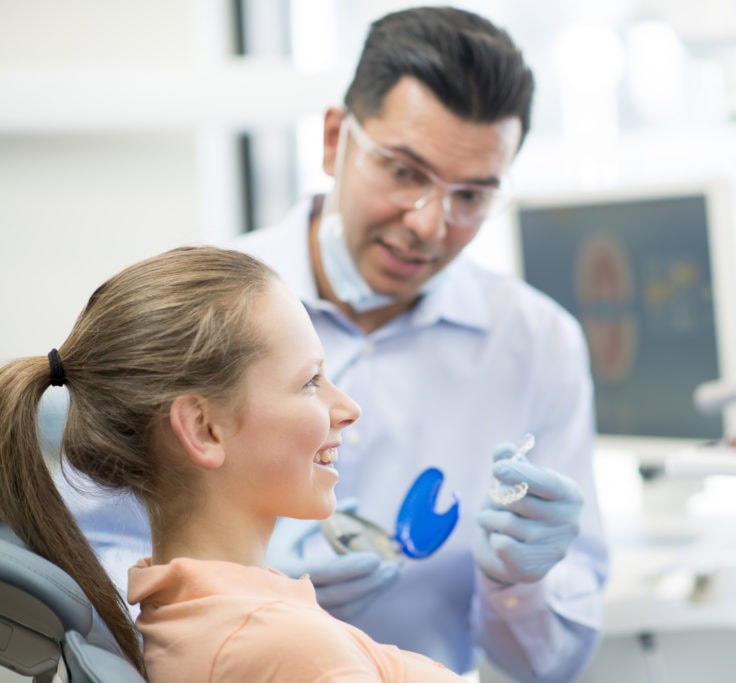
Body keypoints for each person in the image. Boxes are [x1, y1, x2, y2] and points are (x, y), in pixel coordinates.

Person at [58, 6, 609, 682]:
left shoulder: (537, 344)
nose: (429, 224)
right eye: (405, 172)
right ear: (333, 139)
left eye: (470, 195)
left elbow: (551, 664)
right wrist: (250, 584)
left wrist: (519, 586)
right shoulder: (204, 309)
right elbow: (80, 576)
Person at [1, 246, 464, 681]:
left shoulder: (198, 616)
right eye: (310, 381)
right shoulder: (284, 646)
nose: (348, 408)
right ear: (203, 428)